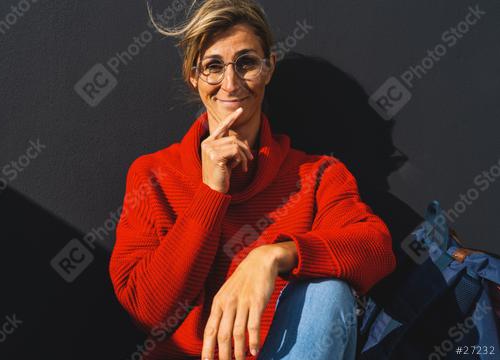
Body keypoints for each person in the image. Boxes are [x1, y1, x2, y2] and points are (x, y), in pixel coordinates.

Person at [109, 1, 396, 359]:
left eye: (246, 63)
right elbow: (147, 311)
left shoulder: (318, 175)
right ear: (193, 77)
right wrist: (210, 194)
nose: (230, 83)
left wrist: (273, 256)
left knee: (328, 291)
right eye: (213, 66)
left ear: (269, 67)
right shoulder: (154, 174)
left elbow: (376, 248)